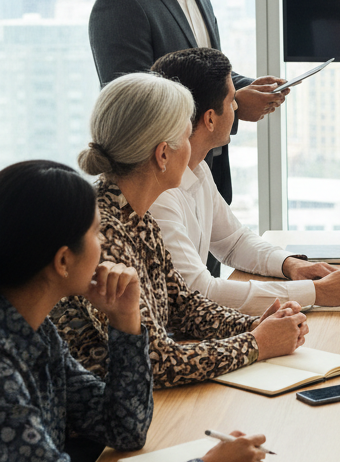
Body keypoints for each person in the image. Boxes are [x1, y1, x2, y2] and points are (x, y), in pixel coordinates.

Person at [0, 160, 269, 462]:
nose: (104, 241)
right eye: (94, 233)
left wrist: (127, 322)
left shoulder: (36, 331)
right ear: (64, 261)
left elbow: (124, 427)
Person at [53, 73, 308, 388]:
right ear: (162, 155)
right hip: (100, 421)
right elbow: (156, 361)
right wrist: (257, 343)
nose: (193, 148)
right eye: (187, 138)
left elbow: (181, 304)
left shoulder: (136, 214)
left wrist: (255, 325)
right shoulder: (101, 232)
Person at [88, 0, 288, 206]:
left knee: (214, 258)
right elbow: (136, 111)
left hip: (208, 173)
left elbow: (202, 68)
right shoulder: (121, 0)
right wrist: (235, 107)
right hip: (162, 188)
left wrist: (250, 88)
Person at [150, 48, 340, 313]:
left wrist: (290, 265)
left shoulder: (197, 170)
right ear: (210, 118)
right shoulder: (159, 192)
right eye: (233, 100)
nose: (236, 107)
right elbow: (199, 292)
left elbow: (233, 242)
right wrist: (316, 292)